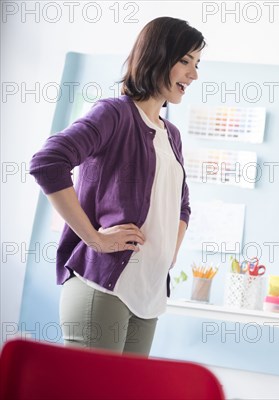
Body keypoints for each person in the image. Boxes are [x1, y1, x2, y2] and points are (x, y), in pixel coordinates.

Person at [29, 17, 205, 356]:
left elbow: (181, 206)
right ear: (158, 56)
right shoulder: (115, 114)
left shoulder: (172, 135)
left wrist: (168, 254)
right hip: (104, 288)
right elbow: (48, 162)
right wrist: (93, 238)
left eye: (197, 64)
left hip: (148, 294)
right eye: (185, 61)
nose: (194, 74)